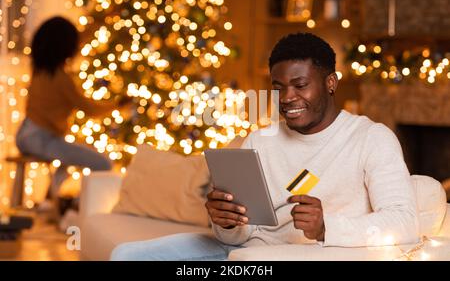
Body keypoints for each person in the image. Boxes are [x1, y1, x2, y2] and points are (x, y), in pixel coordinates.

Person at [110, 33, 419, 261]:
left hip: (300, 256)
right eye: (278, 87)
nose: (286, 98)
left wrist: (327, 227)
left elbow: (405, 222)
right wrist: (226, 221)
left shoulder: (371, 138)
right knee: (126, 255)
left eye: (300, 85)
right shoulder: (260, 140)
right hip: (241, 252)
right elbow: (242, 233)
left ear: (331, 83)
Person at [16, 16, 131, 206]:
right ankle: (77, 206)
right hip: (42, 139)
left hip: (26, 134)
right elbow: (89, 109)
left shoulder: (39, 68)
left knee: (68, 159)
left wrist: (103, 20)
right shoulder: (61, 79)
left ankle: (50, 201)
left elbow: (80, 37)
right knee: (103, 163)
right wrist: (117, 104)